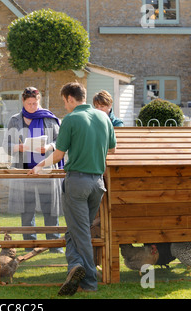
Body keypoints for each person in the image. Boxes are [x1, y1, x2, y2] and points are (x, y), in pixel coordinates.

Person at [28, 82, 116, 295]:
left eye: (64, 101)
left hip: (77, 182)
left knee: (81, 232)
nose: (64, 106)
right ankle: (74, 266)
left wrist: (39, 166)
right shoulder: (104, 118)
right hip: (98, 183)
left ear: (69, 98)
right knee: (76, 230)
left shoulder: (71, 119)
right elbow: (112, 150)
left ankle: (89, 282)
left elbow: (58, 155)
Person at [2, 87, 63, 252]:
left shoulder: (48, 119)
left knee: (49, 208)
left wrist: (49, 146)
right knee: (27, 209)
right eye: (29, 103)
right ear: (22, 102)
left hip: (46, 170)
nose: (32, 106)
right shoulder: (15, 120)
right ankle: (30, 244)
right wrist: (19, 147)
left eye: (35, 103)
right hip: (25, 172)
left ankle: (54, 245)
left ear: (39, 101)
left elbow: (60, 141)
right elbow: (6, 146)